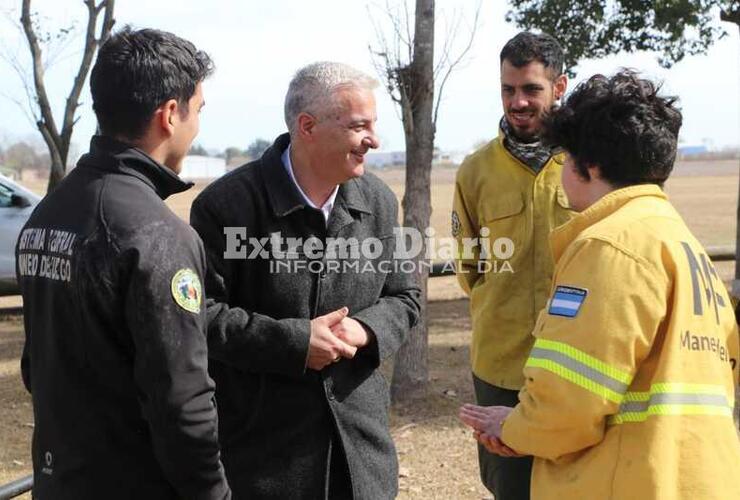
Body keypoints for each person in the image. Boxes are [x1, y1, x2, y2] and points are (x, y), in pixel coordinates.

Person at [459, 70, 740, 499]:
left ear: (586, 165)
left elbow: (569, 403)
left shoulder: (607, 245)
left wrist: (514, 427)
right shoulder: (684, 245)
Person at [16, 27, 231, 499]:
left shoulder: (47, 213)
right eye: (197, 111)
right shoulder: (157, 235)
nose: (197, 128)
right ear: (170, 114)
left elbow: (36, 367)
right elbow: (182, 402)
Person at [190, 62, 421, 499]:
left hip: (361, 460)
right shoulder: (226, 207)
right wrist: (295, 344)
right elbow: (201, 315)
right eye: (359, 126)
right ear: (307, 126)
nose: (374, 140)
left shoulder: (379, 201)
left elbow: (405, 297)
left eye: (374, 125)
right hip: (262, 463)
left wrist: (366, 329)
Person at [452, 31, 571, 498]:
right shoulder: (475, 171)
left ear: (559, 87)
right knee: (512, 489)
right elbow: (469, 270)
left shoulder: (591, 164)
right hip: (501, 367)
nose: (518, 102)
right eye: (508, 90)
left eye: (531, 89)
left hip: (579, 364)